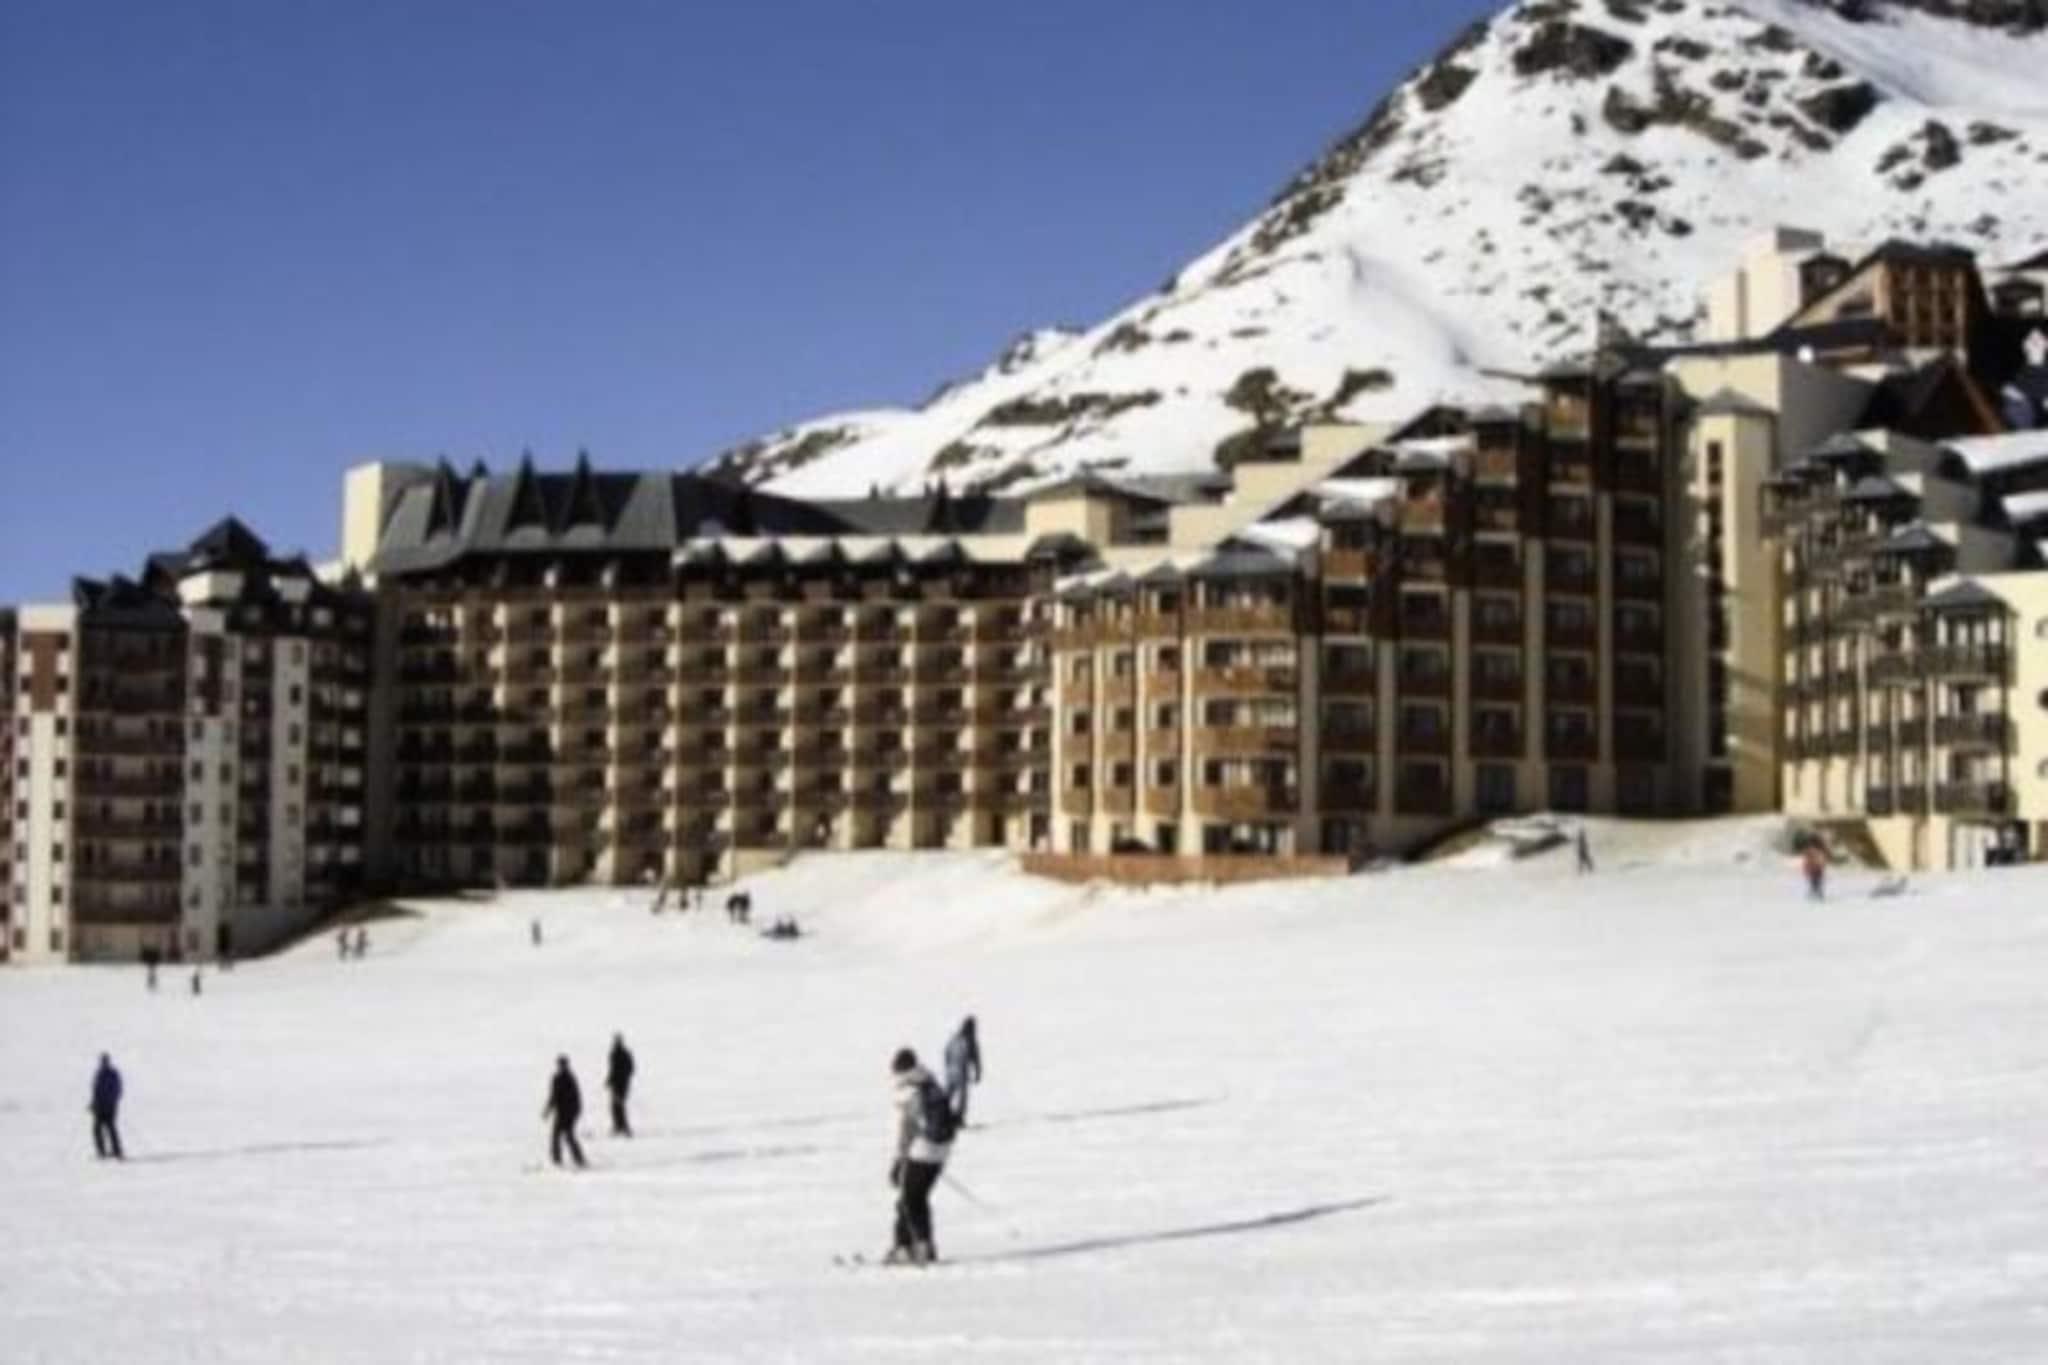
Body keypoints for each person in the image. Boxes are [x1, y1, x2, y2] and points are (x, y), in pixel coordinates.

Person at [887, 1047, 954, 1265]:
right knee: (916, 1198)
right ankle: (920, 1246)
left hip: (921, 1150)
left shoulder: (907, 1090)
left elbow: (905, 1130)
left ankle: (910, 1248)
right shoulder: (930, 1081)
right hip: (941, 1150)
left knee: (909, 1200)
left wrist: (898, 1161)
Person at [542, 1055, 587, 1169]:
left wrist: (575, 1112)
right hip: (561, 1112)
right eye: (560, 1064)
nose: (561, 1066)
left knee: (566, 1135)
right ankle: (559, 1159)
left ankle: (577, 1159)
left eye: (563, 1064)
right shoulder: (558, 1078)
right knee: (558, 1136)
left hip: (568, 1113)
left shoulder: (569, 1079)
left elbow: (575, 1097)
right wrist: (548, 1109)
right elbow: (554, 1096)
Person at [943, 1016, 983, 1126]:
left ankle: (944, 1115)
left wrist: (947, 1066)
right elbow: (976, 1058)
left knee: (950, 1094)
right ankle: (956, 1118)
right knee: (961, 1097)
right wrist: (978, 1072)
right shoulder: (969, 1041)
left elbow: (946, 1053)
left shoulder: (954, 1039)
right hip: (960, 1071)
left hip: (952, 1071)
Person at [90, 1053, 124, 1160]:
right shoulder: (109, 1074)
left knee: (102, 1129)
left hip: (104, 1106)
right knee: (107, 1128)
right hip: (107, 1106)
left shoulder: (104, 1074)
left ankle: (106, 1151)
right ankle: (113, 1150)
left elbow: (99, 1091)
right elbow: (97, 1091)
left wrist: (97, 1103)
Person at [605, 1033, 636, 1138]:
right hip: (618, 1083)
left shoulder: (621, 1053)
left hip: (621, 1084)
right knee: (616, 1106)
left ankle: (624, 1128)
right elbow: (613, 1069)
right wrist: (609, 1080)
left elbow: (628, 1069)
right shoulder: (616, 1053)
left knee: (619, 1105)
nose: (615, 1043)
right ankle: (618, 1126)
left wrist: (618, 1079)